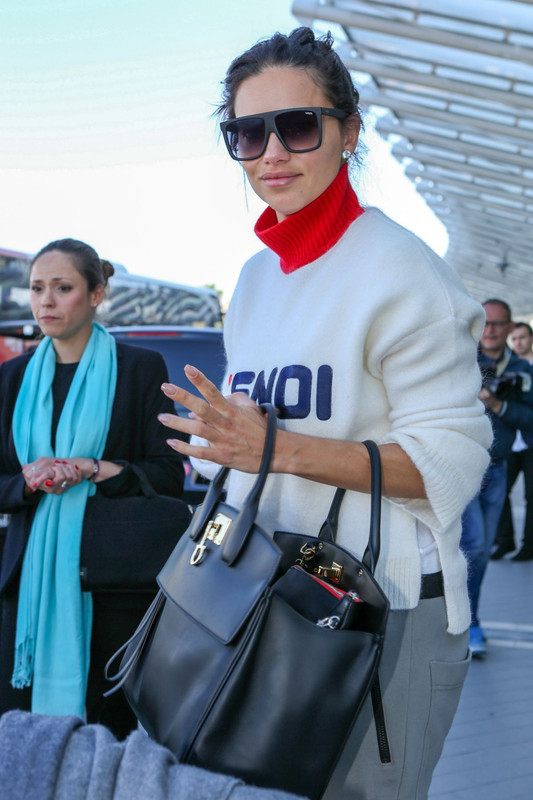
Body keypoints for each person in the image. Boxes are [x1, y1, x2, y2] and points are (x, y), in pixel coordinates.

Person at [155, 27, 492, 800]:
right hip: (262, 592)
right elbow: (259, 430)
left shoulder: (404, 272)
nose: (270, 151)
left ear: (348, 132)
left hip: (379, 611)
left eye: (297, 126)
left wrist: (276, 448)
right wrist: (215, 445)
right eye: (245, 132)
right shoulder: (256, 275)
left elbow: (450, 463)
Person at [0, 238, 185, 738]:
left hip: (113, 585)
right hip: (24, 586)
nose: (46, 302)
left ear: (97, 293)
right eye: (38, 288)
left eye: (63, 288)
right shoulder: (12, 378)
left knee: (105, 736)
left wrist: (90, 468)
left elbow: (169, 475)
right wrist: (31, 481)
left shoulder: (140, 368)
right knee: (23, 735)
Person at [461, 300, 533, 655]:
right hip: (461, 468)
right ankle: (466, 621)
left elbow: (531, 417)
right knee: (473, 545)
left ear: (509, 327)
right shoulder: (459, 360)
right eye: (486, 323)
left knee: (482, 553)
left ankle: (468, 617)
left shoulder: (521, 369)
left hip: (498, 469)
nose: (490, 330)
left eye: (498, 324)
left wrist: (499, 406)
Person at [492, 321, 533, 561]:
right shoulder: (505, 368)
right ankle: (505, 541)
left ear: (530, 339)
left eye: (523, 338)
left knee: (531, 496)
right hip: (509, 441)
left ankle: (529, 545)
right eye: (514, 338)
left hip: (530, 441)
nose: (518, 342)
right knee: (501, 490)